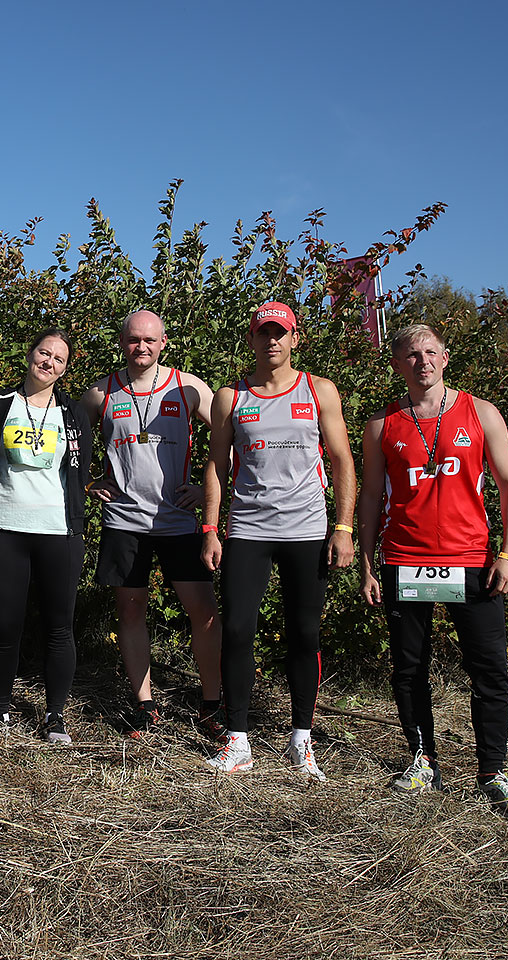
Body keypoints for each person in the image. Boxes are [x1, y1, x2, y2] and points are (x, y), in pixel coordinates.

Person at [358, 323, 508, 820]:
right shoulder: (382, 424)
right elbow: (370, 498)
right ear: (398, 364)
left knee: (489, 669)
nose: (423, 362)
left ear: (446, 357)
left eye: (431, 352)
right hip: (405, 561)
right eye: (412, 355)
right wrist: (367, 565)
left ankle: (493, 772)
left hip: (472, 562)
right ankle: (423, 762)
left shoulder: (481, 412)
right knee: (409, 668)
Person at [201, 301, 356, 779]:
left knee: (304, 633)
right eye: (263, 332)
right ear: (251, 339)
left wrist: (344, 527)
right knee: (237, 630)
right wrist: (211, 528)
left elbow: (342, 461)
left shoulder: (319, 389)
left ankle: (301, 739)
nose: (272, 340)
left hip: (306, 530)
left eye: (280, 332)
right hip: (248, 529)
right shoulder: (231, 396)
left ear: (294, 339)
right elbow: (217, 465)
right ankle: (238, 741)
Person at [80, 309, 222, 738]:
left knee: (204, 612)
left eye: (149, 340)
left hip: (178, 520)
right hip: (124, 520)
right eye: (133, 339)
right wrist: (88, 481)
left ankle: (212, 704)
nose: (140, 347)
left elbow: (232, 438)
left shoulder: (188, 386)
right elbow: (69, 442)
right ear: (122, 342)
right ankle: (144, 705)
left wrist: (207, 489)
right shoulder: (100, 392)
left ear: (163, 343)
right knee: (131, 611)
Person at [0, 328, 93, 743]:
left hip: (58, 532)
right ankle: (0, 710)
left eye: (59, 359)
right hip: (6, 528)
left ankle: (55, 716)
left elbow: (81, 470)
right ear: (30, 355)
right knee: (4, 625)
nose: (49, 362)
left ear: (65, 369)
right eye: (44, 353)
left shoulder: (73, 413)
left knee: (59, 628)